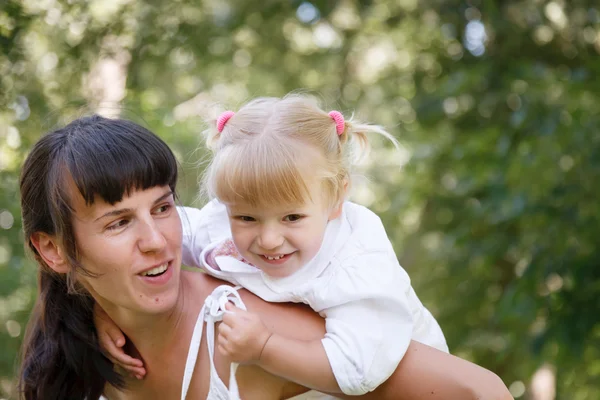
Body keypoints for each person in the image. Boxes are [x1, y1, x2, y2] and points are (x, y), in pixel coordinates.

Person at [18, 114, 513, 400]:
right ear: (53, 250)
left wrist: (266, 347)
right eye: (119, 222)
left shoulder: (246, 328)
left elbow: (479, 391)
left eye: (163, 207)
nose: (157, 240)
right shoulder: (78, 342)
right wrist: (95, 306)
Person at [99, 94, 447, 396]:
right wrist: (103, 307)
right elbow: (166, 240)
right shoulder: (220, 224)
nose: (268, 240)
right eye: (247, 219)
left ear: (337, 198)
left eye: (292, 218)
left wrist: (265, 348)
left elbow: (357, 370)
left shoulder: (356, 261)